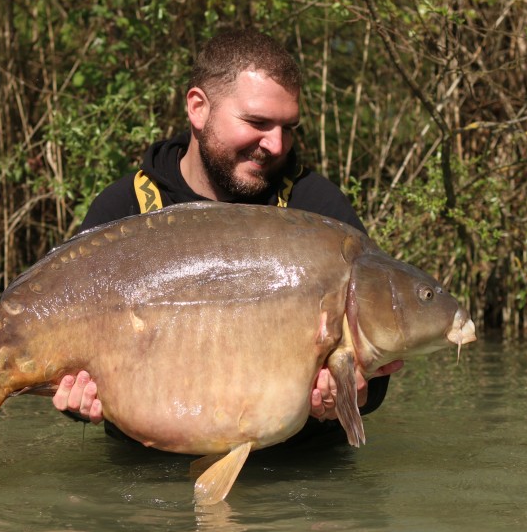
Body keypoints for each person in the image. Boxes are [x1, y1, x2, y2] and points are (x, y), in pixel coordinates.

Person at [52, 28, 404, 448]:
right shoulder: (125, 207)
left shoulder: (317, 210)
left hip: (296, 483)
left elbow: (375, 363)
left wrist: (356, 394)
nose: (276, 145)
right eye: (257, 122)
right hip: (147, 485)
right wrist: (76, 401)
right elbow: (65, 357)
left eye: (287, 127)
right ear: (198, 108)